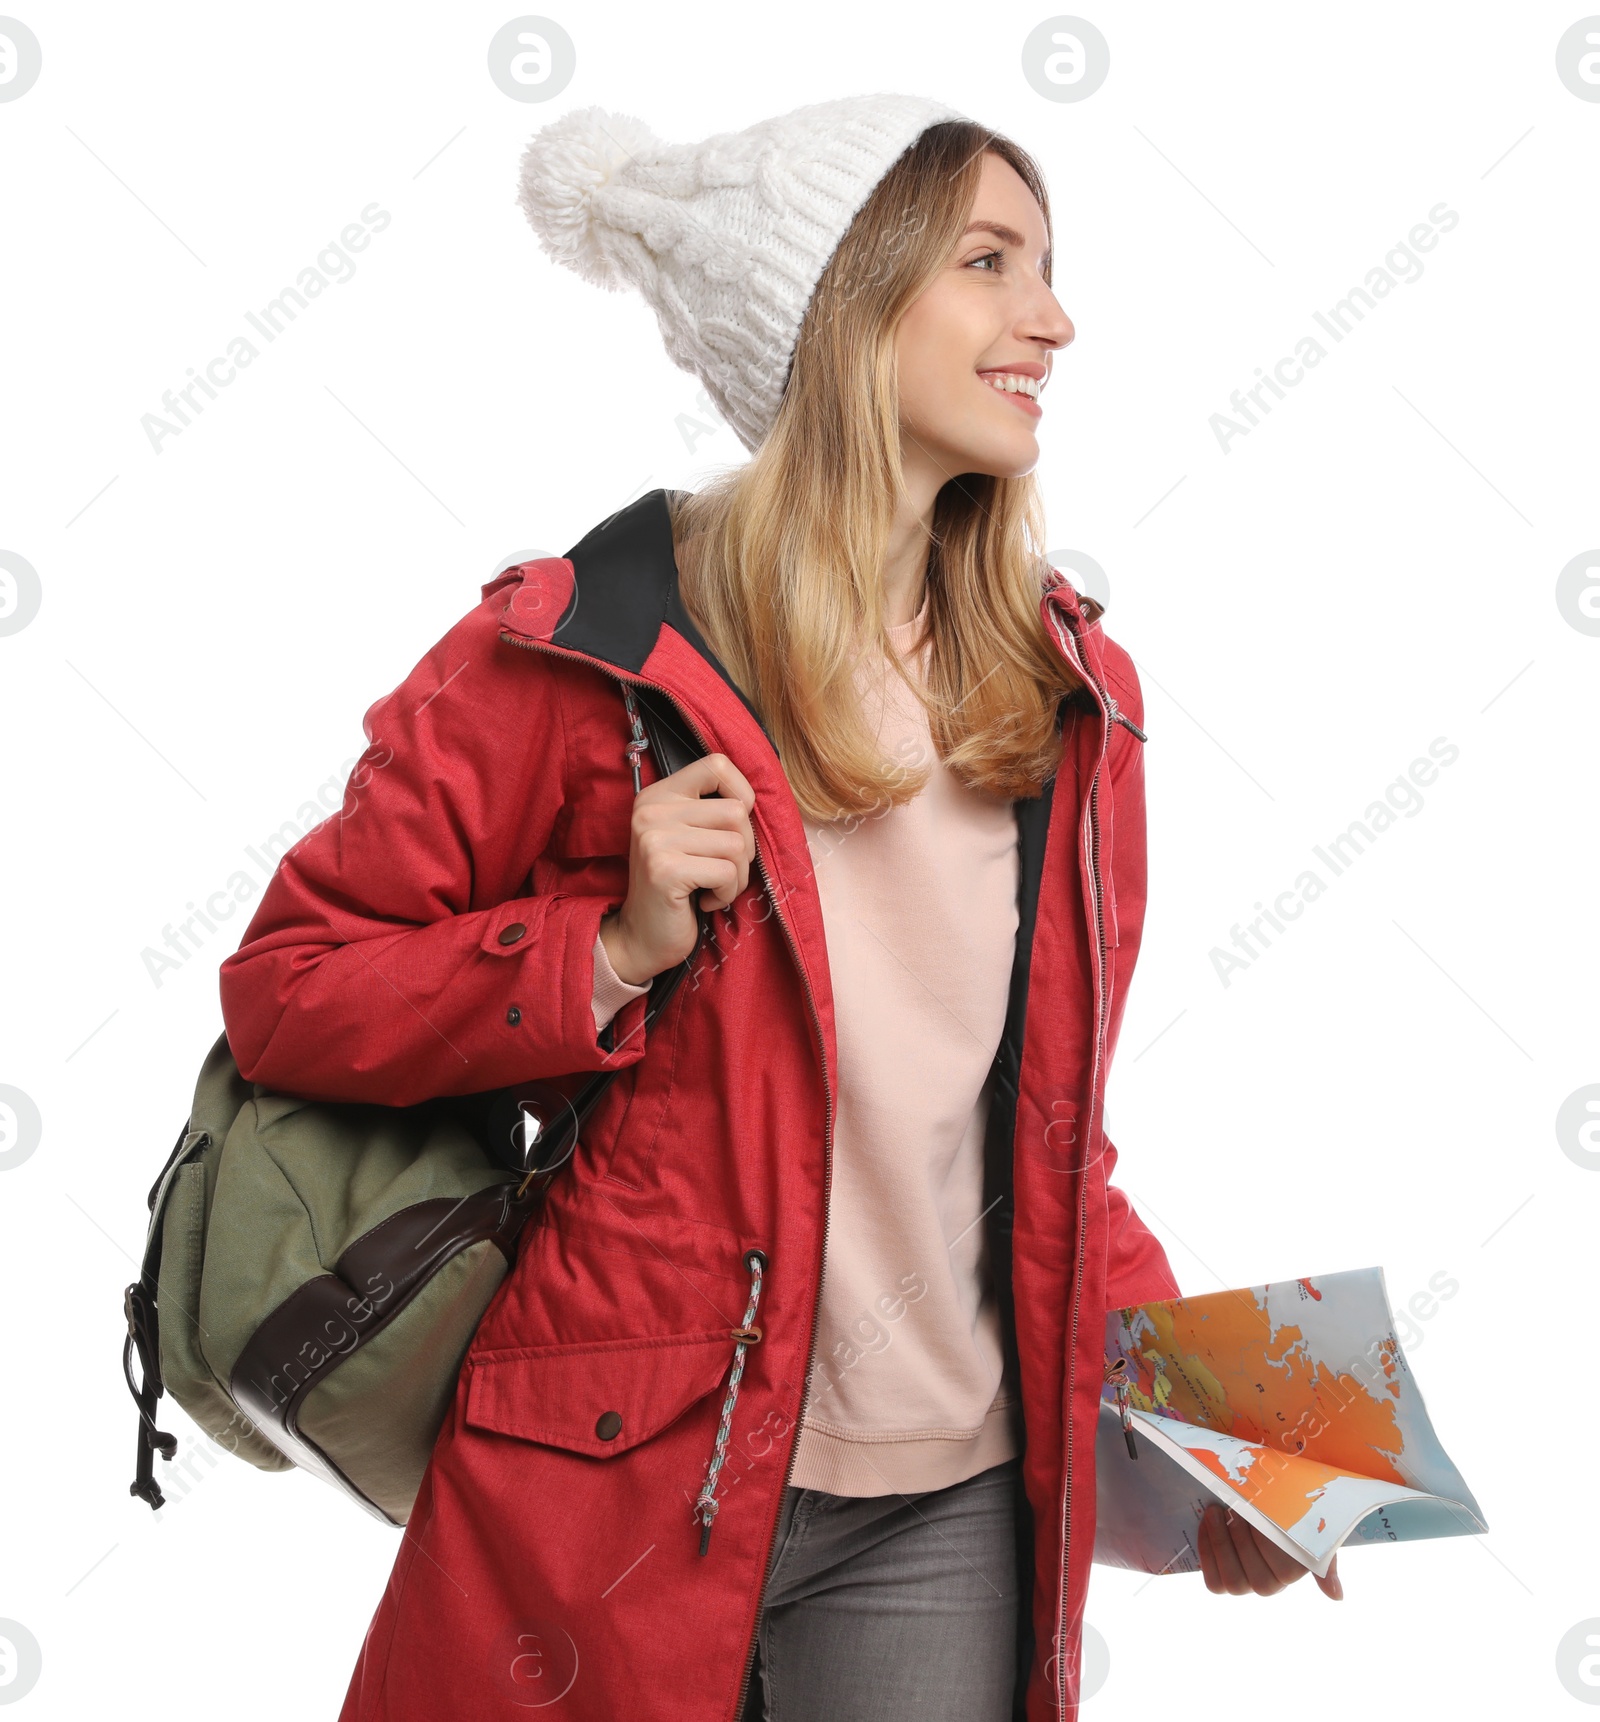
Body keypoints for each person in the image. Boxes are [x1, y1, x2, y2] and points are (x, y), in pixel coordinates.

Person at [217, 93, 1337, 1722]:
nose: (1055, 317)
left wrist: (1229, 1445)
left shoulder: (1069, 701)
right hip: (616, 1478)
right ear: (846, 297)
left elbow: (1041, 1148)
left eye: (1049, 264)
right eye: (989, 260)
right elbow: (291, 988)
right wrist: (595, 951)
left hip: (949, 1512)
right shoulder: (578, 657)